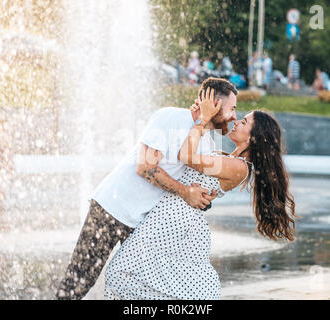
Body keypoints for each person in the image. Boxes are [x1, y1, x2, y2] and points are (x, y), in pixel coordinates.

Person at [104, 88, 297, 300]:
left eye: (243, 122)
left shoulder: (238, 168)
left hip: (175, 224)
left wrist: (203, 119)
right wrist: (197, 115)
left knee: (122, 274)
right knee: (134, 279)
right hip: (170, 220)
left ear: (253, 138)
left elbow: (187, 156)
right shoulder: (230, 159)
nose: (236, 121)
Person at [56, 77, 238, 300]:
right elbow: (145, 167)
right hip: (113, 208)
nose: (234, 116)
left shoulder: (206, 141)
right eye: (232, 108)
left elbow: (199, 181)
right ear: (214, 104)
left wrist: (202, 197)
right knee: (79, 281)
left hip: (144, 225)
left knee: (141, 289)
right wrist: (185, 191)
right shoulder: (171, 117)